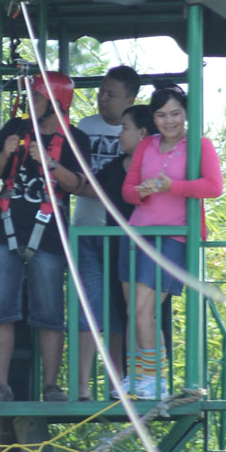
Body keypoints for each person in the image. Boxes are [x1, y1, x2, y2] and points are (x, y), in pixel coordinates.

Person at [0, 71, 92, 403]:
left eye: (39, 99)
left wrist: (51, 164)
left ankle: (51, 386)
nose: (31, 104)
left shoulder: (75, 139)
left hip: (49, 237)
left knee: (50, 312)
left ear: (57, 102)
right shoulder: (14, 130)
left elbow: (79, 185)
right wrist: (4, 153)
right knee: (1, 308)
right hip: (7, 232)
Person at [121, 86, 223, 398]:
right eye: (162, 115)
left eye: (175, 113)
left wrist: (172, 186)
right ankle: (140, 375)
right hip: (137, 234)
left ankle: (155, 379)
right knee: (135, 313)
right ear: (153, 118)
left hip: (172, 237)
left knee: (142, 311)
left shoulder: (199, 145)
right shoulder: (146, 145)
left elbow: (213, 186)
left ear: (186, 114)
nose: (169, 121)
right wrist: (143, 190)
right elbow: (126, 191)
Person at [71, 65, 140, 398]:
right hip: (84, 229)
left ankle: (117, 384)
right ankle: (82, 386)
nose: (102, 98)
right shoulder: (85, 127)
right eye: (100, 91)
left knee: (118, 309)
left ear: (130, 99)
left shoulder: (140, 138)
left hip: (120, 233)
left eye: (111, 94)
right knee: (88, 306)